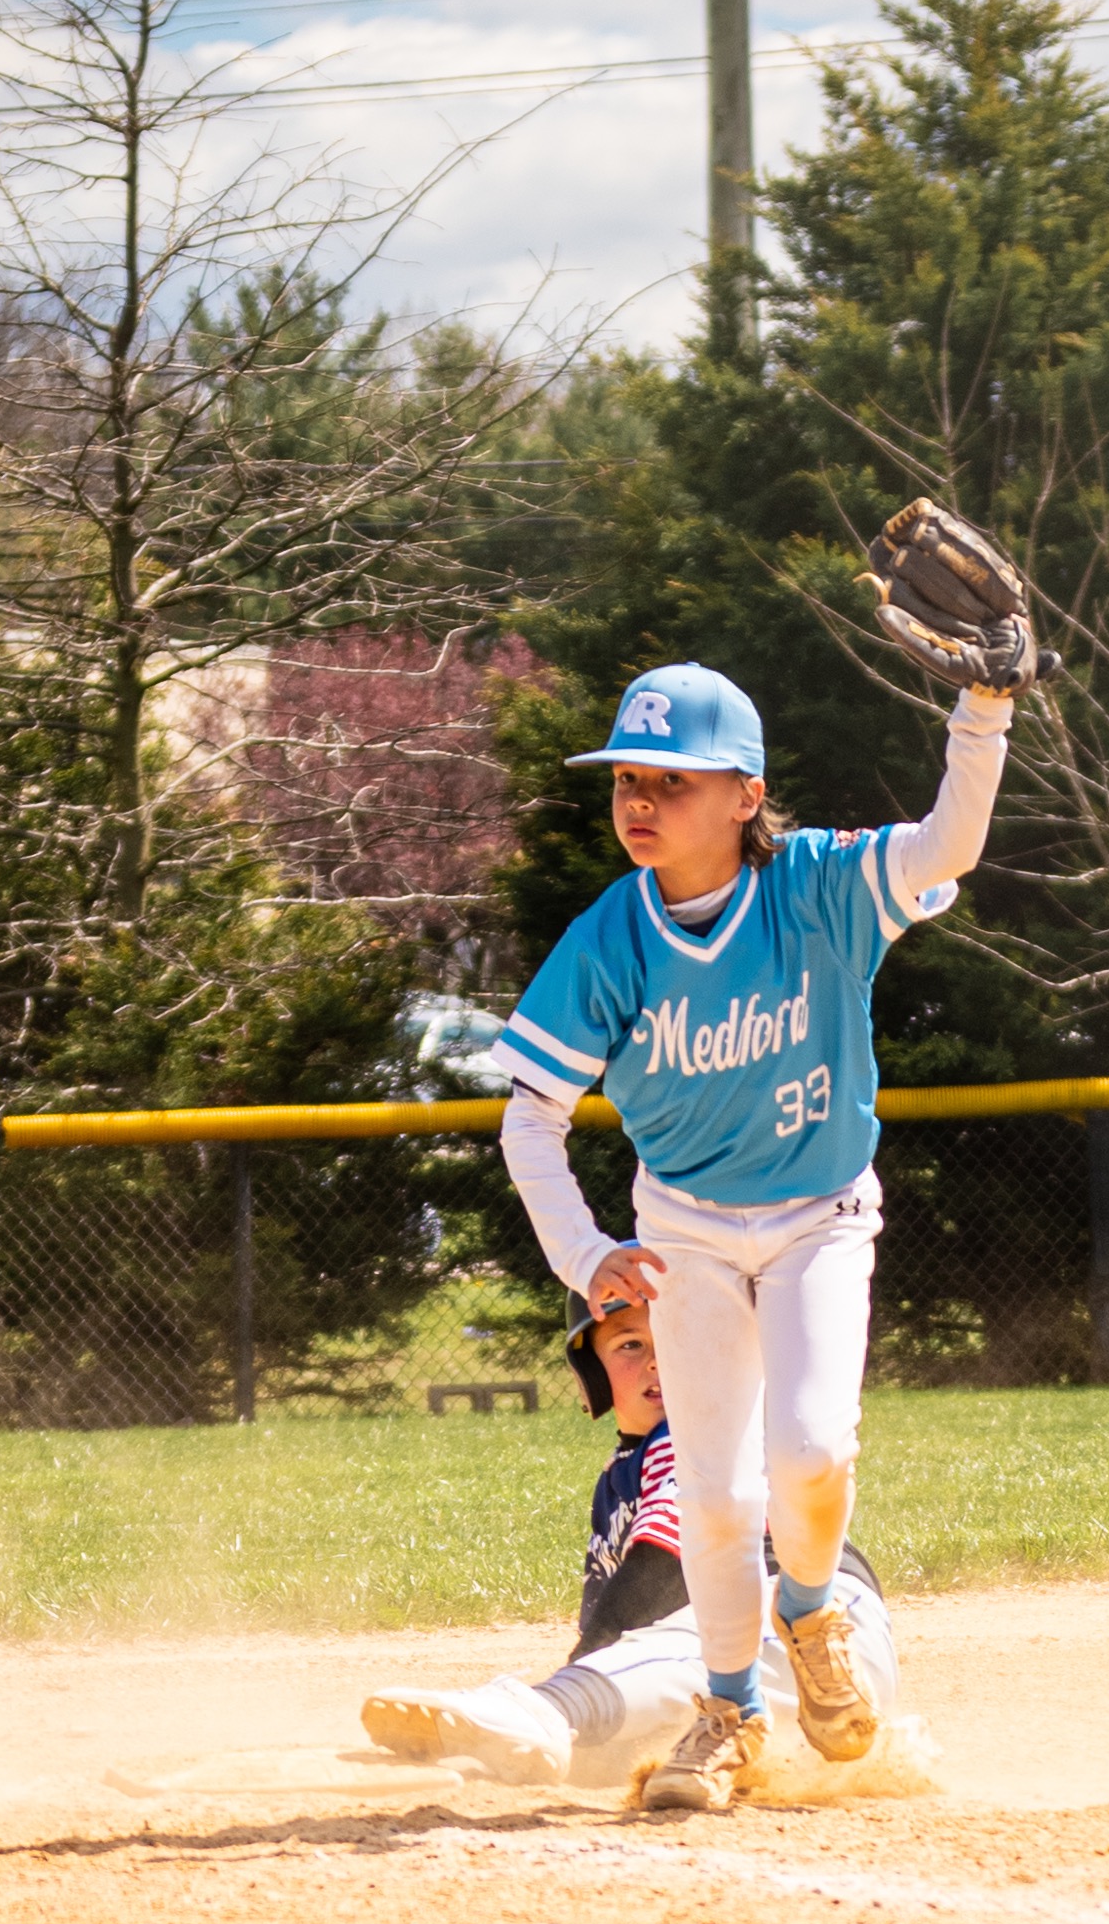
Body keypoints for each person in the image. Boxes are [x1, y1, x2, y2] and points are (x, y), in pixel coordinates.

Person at [488, 651, 1021, 1810]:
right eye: (627, 778)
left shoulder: (820, 885)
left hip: (819, 1216)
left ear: (745, 794)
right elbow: (529, 1120)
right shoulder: (612, 937)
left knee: (814, 1450)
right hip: (684, 1233)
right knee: (720, 1496)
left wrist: (984, 709)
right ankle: (728, 1713)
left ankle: (811, 1613)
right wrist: (587, 1256)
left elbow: (947, 847)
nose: (640, 800)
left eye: (671, 780)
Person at [360, 1291, 897, 1800]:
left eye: (678, 1337)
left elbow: (663, 1564)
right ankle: (531, 1729)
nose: (658, 1362)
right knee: (622, 1738)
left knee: (691, 1647)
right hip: (761, 1692)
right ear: (591, 1371)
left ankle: (543, 1709)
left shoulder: (701, 1439)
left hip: (807, 1629)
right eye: (630, 1344)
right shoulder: (622, 1474)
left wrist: (571, 1678)